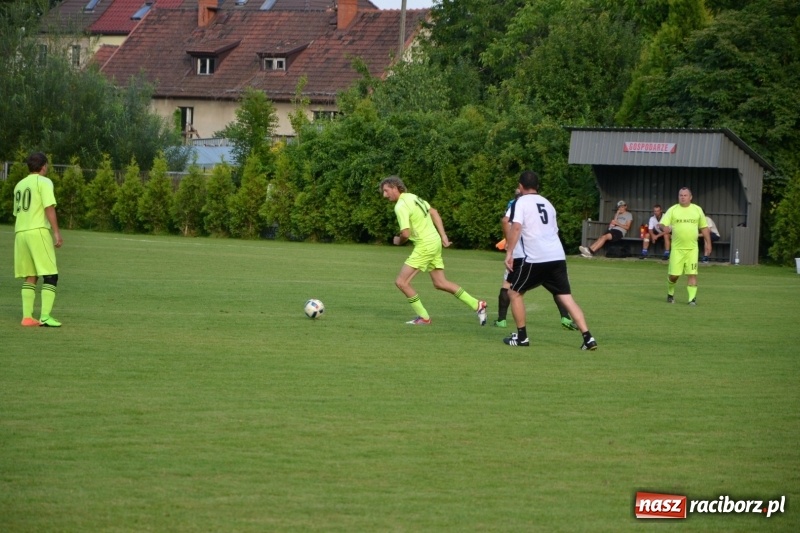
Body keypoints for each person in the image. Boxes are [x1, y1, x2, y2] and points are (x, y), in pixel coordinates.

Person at [502, 171, 597, 349]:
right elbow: (554, 230)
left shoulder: (520, 202)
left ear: (520, 186)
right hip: (557, 256)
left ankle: (522, 338)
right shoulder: (547, 203)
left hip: (535, 257)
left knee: (514, 293)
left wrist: (509, 252)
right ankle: (588, 338)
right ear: (537, 186)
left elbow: (516, 227)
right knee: (566, 297)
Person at [380, 176, 487, 325]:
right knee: (440, 283)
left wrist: (398, 241)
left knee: (401, 282)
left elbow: (405, 233)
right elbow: (434, 212)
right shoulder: (413, 197)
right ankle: (477, 304)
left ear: (395, 187)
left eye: (386, 191)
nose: (384, 195)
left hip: (425, 245)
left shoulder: (401, 206)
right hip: (434, 242)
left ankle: (424, 317)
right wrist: (443, 236)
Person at [495, 191, 578, 331]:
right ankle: (566, 318)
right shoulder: (543, 204)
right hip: (545, 254)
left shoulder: (517, 204)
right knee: (559, 289)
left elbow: (505, 220)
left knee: (509, 286)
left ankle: (502, 320)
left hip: (524, 254)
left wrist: (508, 240)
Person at [13, 152, 63, 327]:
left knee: (31, 275)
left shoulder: (19, 185)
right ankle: (45, 317)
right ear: (43, 166)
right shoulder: (44, 182)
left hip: (20, 232)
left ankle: (27, 317)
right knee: (51, 275)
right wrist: (56, 232)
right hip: (37, 231)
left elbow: (17, 212)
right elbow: (48, 207)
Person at [659, 187, 712, 305]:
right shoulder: (673, 210)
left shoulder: (697, 210)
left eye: (685, 195)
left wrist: (708, 243)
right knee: (674, 276)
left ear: (690, 197)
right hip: (677, 249)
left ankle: (692, 299)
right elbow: (661, 224)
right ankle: (670, 292)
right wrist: (664, 228)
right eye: (680, 195)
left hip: (692, 249)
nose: (682, 197)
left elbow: (704, 228)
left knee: (692, 273)